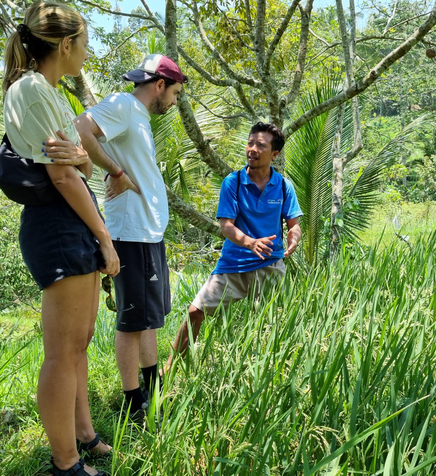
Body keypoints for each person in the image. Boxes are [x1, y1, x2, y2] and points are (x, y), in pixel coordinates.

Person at [2, 1, 118, 476]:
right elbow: (65, 176)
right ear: (65, 44)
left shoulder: (49, 91)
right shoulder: (32, 90)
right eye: (85, 44)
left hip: (71, 219)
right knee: (62, 351)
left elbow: (81, 166)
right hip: (59, 222)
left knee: (80, 343)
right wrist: (105, 238)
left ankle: (83, 435)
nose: (86, 54)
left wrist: (83, 163)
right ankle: (64, 464)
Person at [73, 54, 186, 421]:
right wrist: (115, 170)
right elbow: (81, 128)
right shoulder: (123, 105)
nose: (173, 101)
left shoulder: (138, 119)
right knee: (132, 320)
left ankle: (152, 393)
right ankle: (133, 404)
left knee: (150, 319)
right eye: (175, 93)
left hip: (148, 233)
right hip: (131, 233)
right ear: (159, 85)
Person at [166, 122, 302, 370]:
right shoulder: (234, 182)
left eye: (260, 145)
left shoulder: (283, 185)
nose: (252, 149)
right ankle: (171, 370)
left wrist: (294, 236)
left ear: (274, 154)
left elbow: (294, 224)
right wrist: (250, 243)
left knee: (268, 325)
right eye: (250, 142)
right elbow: (225, 226)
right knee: (195, 311)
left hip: (270, 265)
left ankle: (262, 373)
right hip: (233, 264)